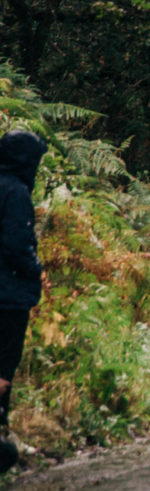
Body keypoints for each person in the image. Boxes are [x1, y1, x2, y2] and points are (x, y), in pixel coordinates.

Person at [0, 130, 47, 470]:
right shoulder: (15, 192)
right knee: (3, 369)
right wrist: (36, 270)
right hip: (8, 295)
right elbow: (17, 245)